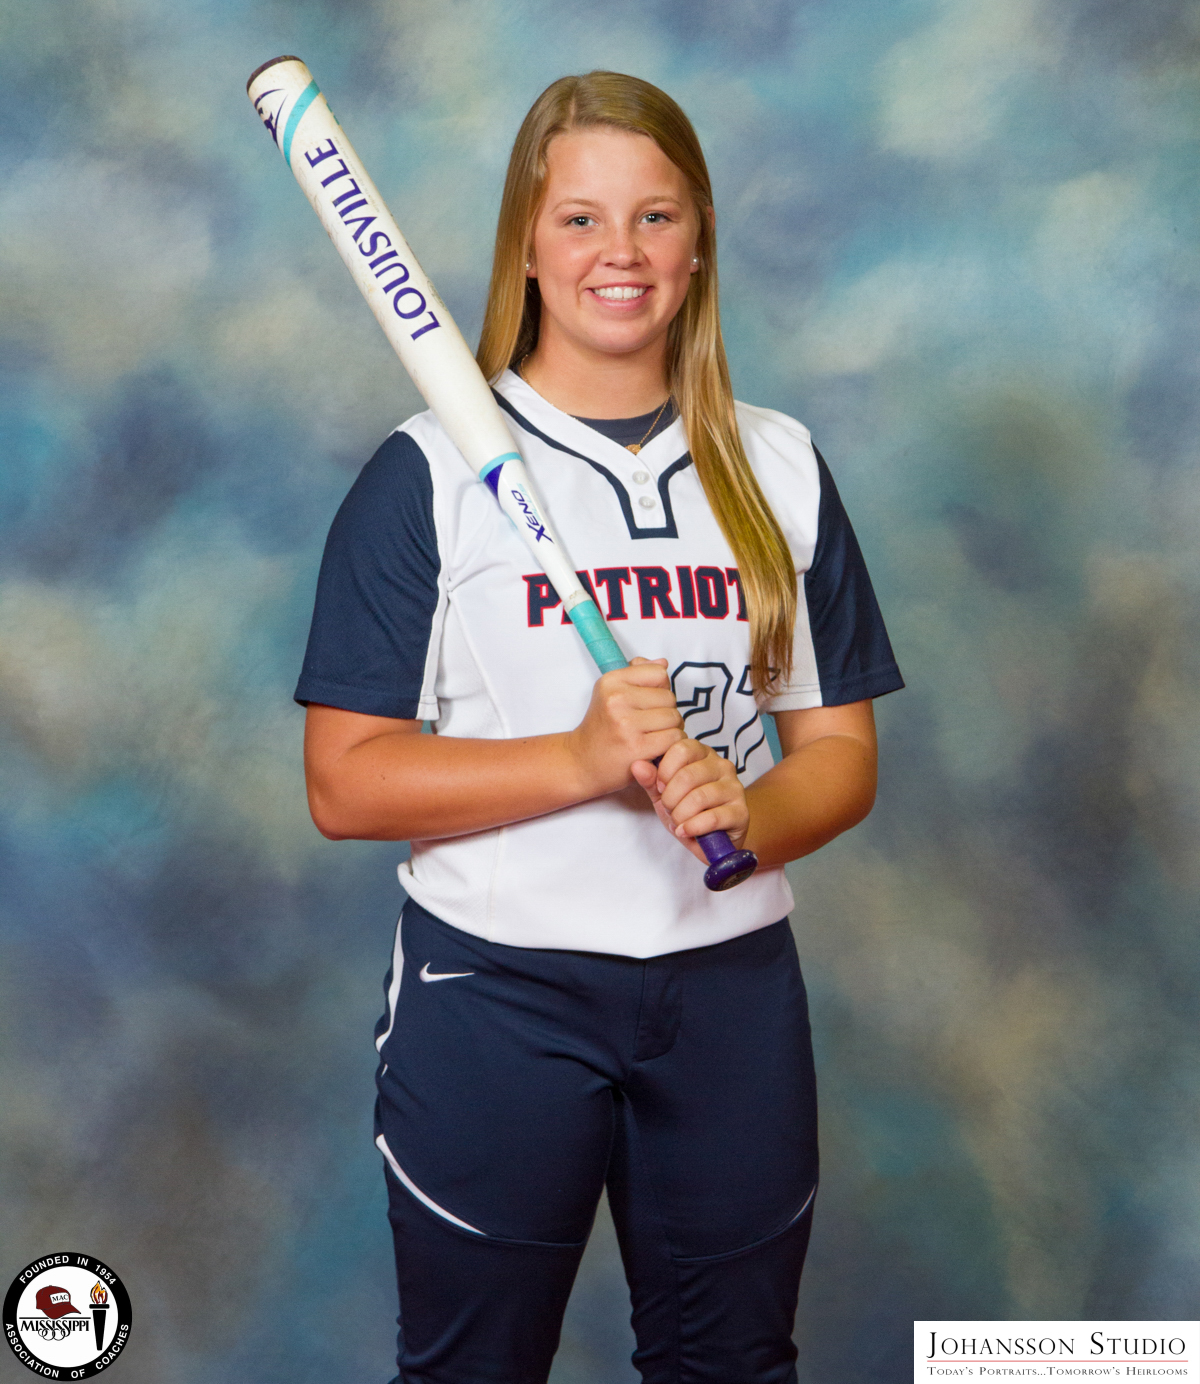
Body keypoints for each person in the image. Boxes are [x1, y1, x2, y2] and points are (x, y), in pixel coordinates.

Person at [295, 71, 903, 1384]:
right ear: (527, 243)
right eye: (579, 219)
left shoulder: (780, 465)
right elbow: (344, 784)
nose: (619, 253)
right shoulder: (425, 475)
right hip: (497, 992)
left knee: (735, 1367)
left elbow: (842, 758)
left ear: (699, 242)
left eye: (654, 217)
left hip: (731, 992)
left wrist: (749, 809)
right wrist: (578, 762)